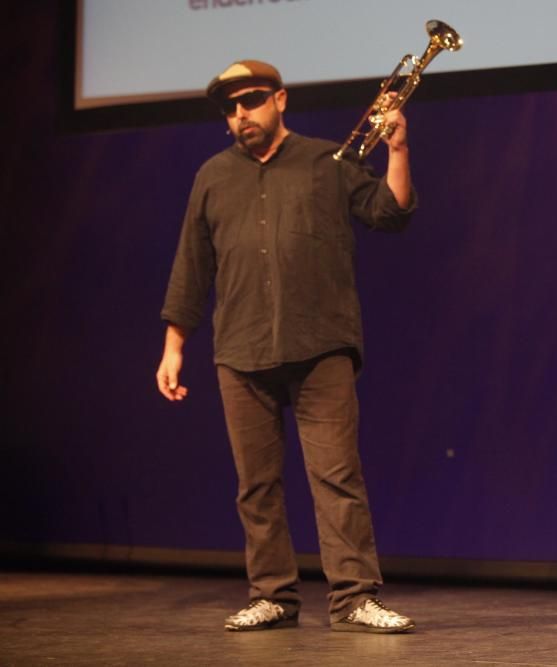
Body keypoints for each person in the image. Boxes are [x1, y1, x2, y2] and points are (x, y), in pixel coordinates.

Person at [156, 60, 416, 633]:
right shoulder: (212, 176)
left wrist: (396, 149)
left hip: (320, 343)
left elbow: (390, 212)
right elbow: (192, 266)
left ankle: (353, 598)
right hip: (241, 350)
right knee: (256, 483)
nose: (240, 114)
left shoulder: (329, 161)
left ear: (280, 100)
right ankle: (272, 594)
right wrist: (175, 344)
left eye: (250, 100)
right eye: (230, 107)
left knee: (336, 475)